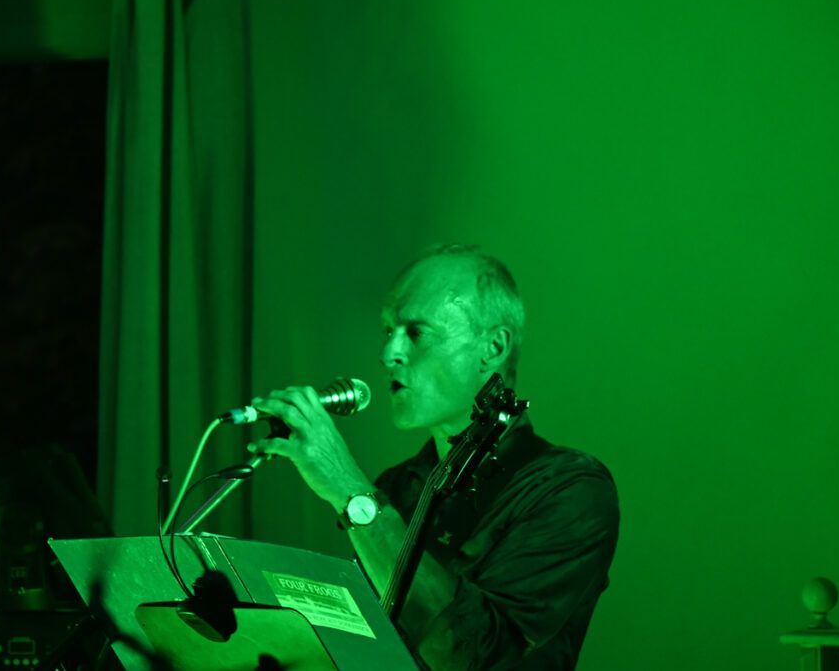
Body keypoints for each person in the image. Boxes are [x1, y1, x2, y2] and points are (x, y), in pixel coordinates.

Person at [251, 244, 619, 670]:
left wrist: (351, 491)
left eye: (416, 332)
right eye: (388, 330)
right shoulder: (398, 485)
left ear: (493, 347)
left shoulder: (569, 489)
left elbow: (471, 656)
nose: (388, 354)